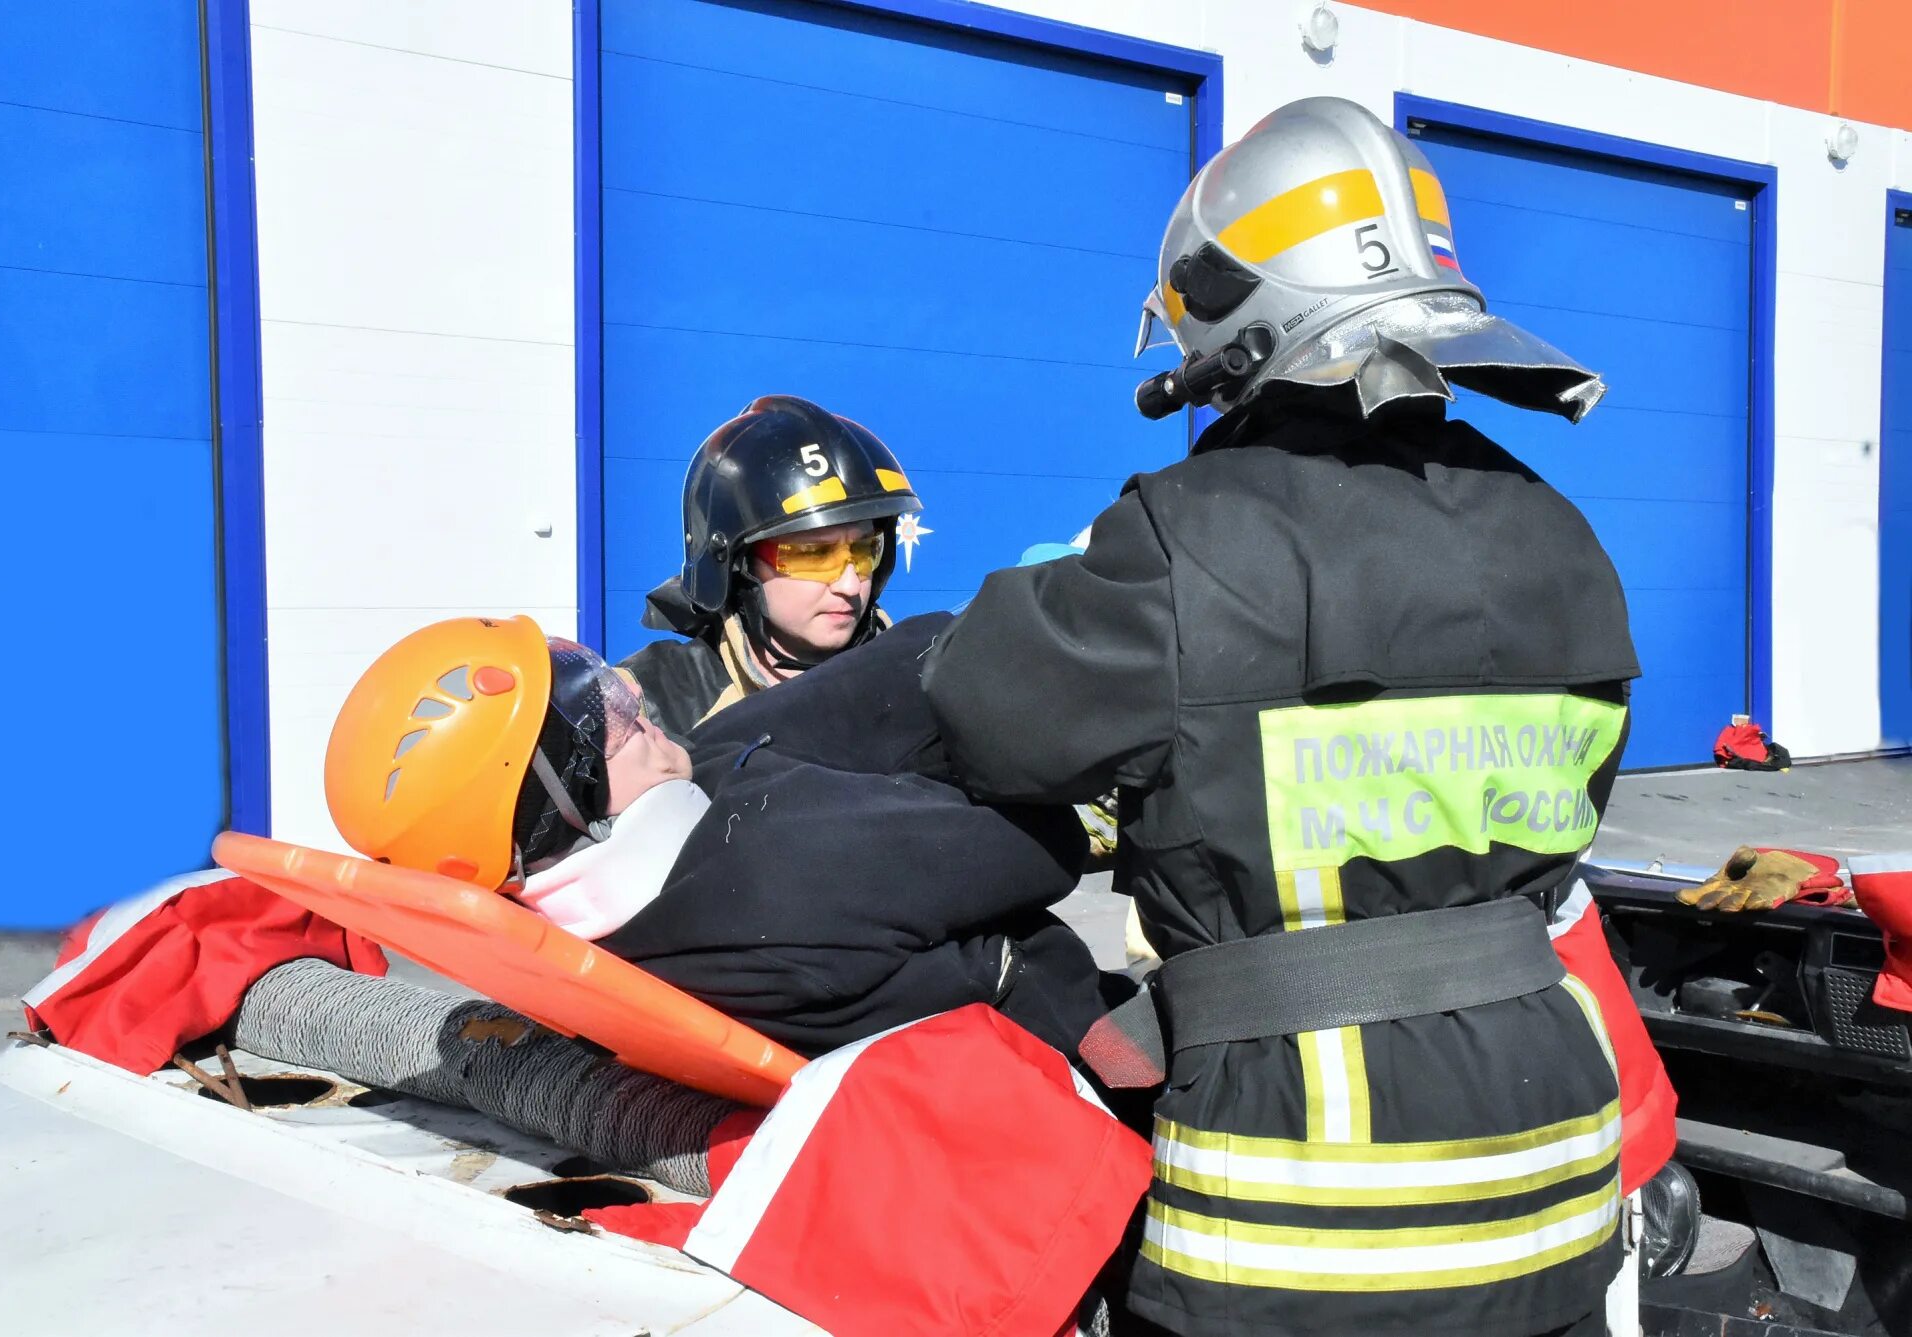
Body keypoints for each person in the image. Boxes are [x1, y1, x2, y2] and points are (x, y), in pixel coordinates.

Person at [921, 97, 1638, 1336]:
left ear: (1230, 308)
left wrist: (1100, 561)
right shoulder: (1562, 538)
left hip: (1308, 1213)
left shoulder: (1185, 539)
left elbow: (980, 709)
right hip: (1560, 1176)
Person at [323, 611, 1115, 1059]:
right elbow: (1048, 845)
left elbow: (800, 720)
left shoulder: (623, 915)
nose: (631, 689)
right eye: (600, 709)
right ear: (562, 799)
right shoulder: (787, 866)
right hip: (1077, 1053)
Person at [620, 394, 924, 736]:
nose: (850, 585)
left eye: (865, 549)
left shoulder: (923, 681)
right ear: (736, 564)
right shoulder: (646, 708)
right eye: (813, 555)